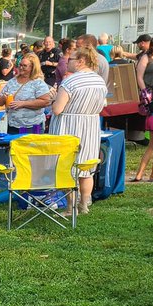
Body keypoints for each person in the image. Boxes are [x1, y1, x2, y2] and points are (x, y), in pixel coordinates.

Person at [49, 47, 107, 214]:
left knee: (66, 168)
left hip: (68, 127)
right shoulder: (99, 81)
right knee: (86, 168)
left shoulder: (70, 82)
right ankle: (84, 204)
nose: (67, 62)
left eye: (71, 59)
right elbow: (102, 105)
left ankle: (70, 206)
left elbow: (57, 109)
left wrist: (53, 99)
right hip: (90, 127)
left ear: (81, 61)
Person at [0, 53, 52, 135]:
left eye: (25, 66)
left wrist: (23, 104)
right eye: (20, 65)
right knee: (15, 143)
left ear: (32, 67)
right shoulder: (12, 81)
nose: (21, 67)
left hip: (33, 126)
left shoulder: (38, 83)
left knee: (30, 144)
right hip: (13, 126)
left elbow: (46, 101)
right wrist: (4, 98)